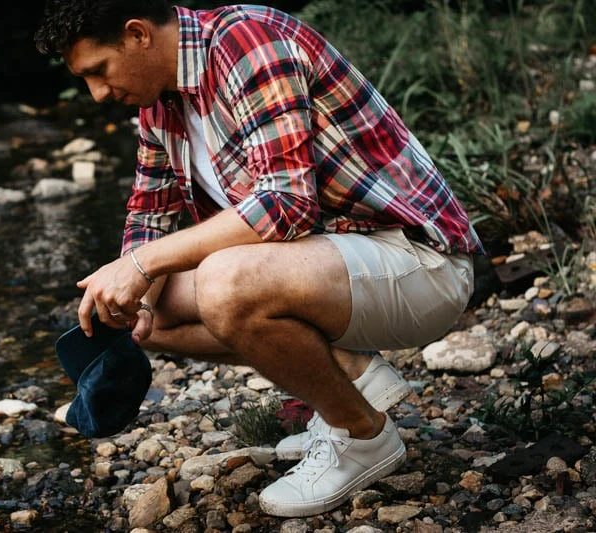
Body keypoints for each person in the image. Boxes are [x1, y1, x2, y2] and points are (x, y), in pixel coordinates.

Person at [35, 0, 484, 518]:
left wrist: (142, 265)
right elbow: (148, 215)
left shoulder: (245, 43)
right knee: (144, 317)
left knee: (223, 281)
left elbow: (285, 203)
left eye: (98, 71)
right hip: (331, 270)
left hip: (418, 261)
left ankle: (363, 435)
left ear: (137, 35)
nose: (97, 94)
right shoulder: (160, 105)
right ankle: (351, 375)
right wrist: (130, 290)